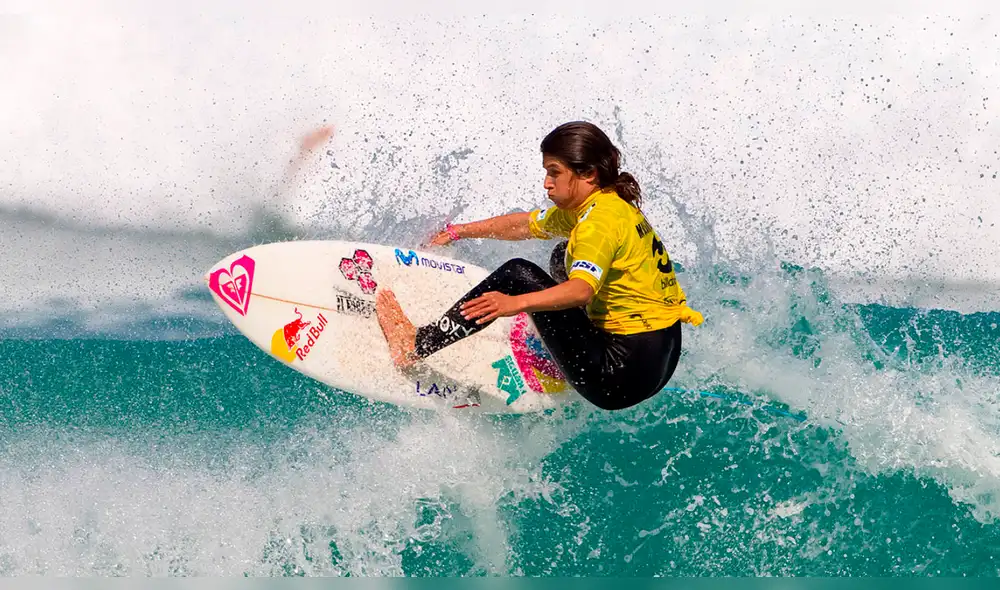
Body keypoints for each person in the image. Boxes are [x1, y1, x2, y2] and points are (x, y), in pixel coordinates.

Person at [376, 121, 703, 411]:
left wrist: (514, 303)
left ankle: (416, 345)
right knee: (564, 255)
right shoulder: (606, 204)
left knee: (517, 274)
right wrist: (456, 232)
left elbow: (581, 289)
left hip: (616, 378)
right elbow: (525, 225)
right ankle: (574, 341)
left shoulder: (597, 225)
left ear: (587, 173)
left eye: (555, 173)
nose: (546, 183)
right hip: (658, 360)